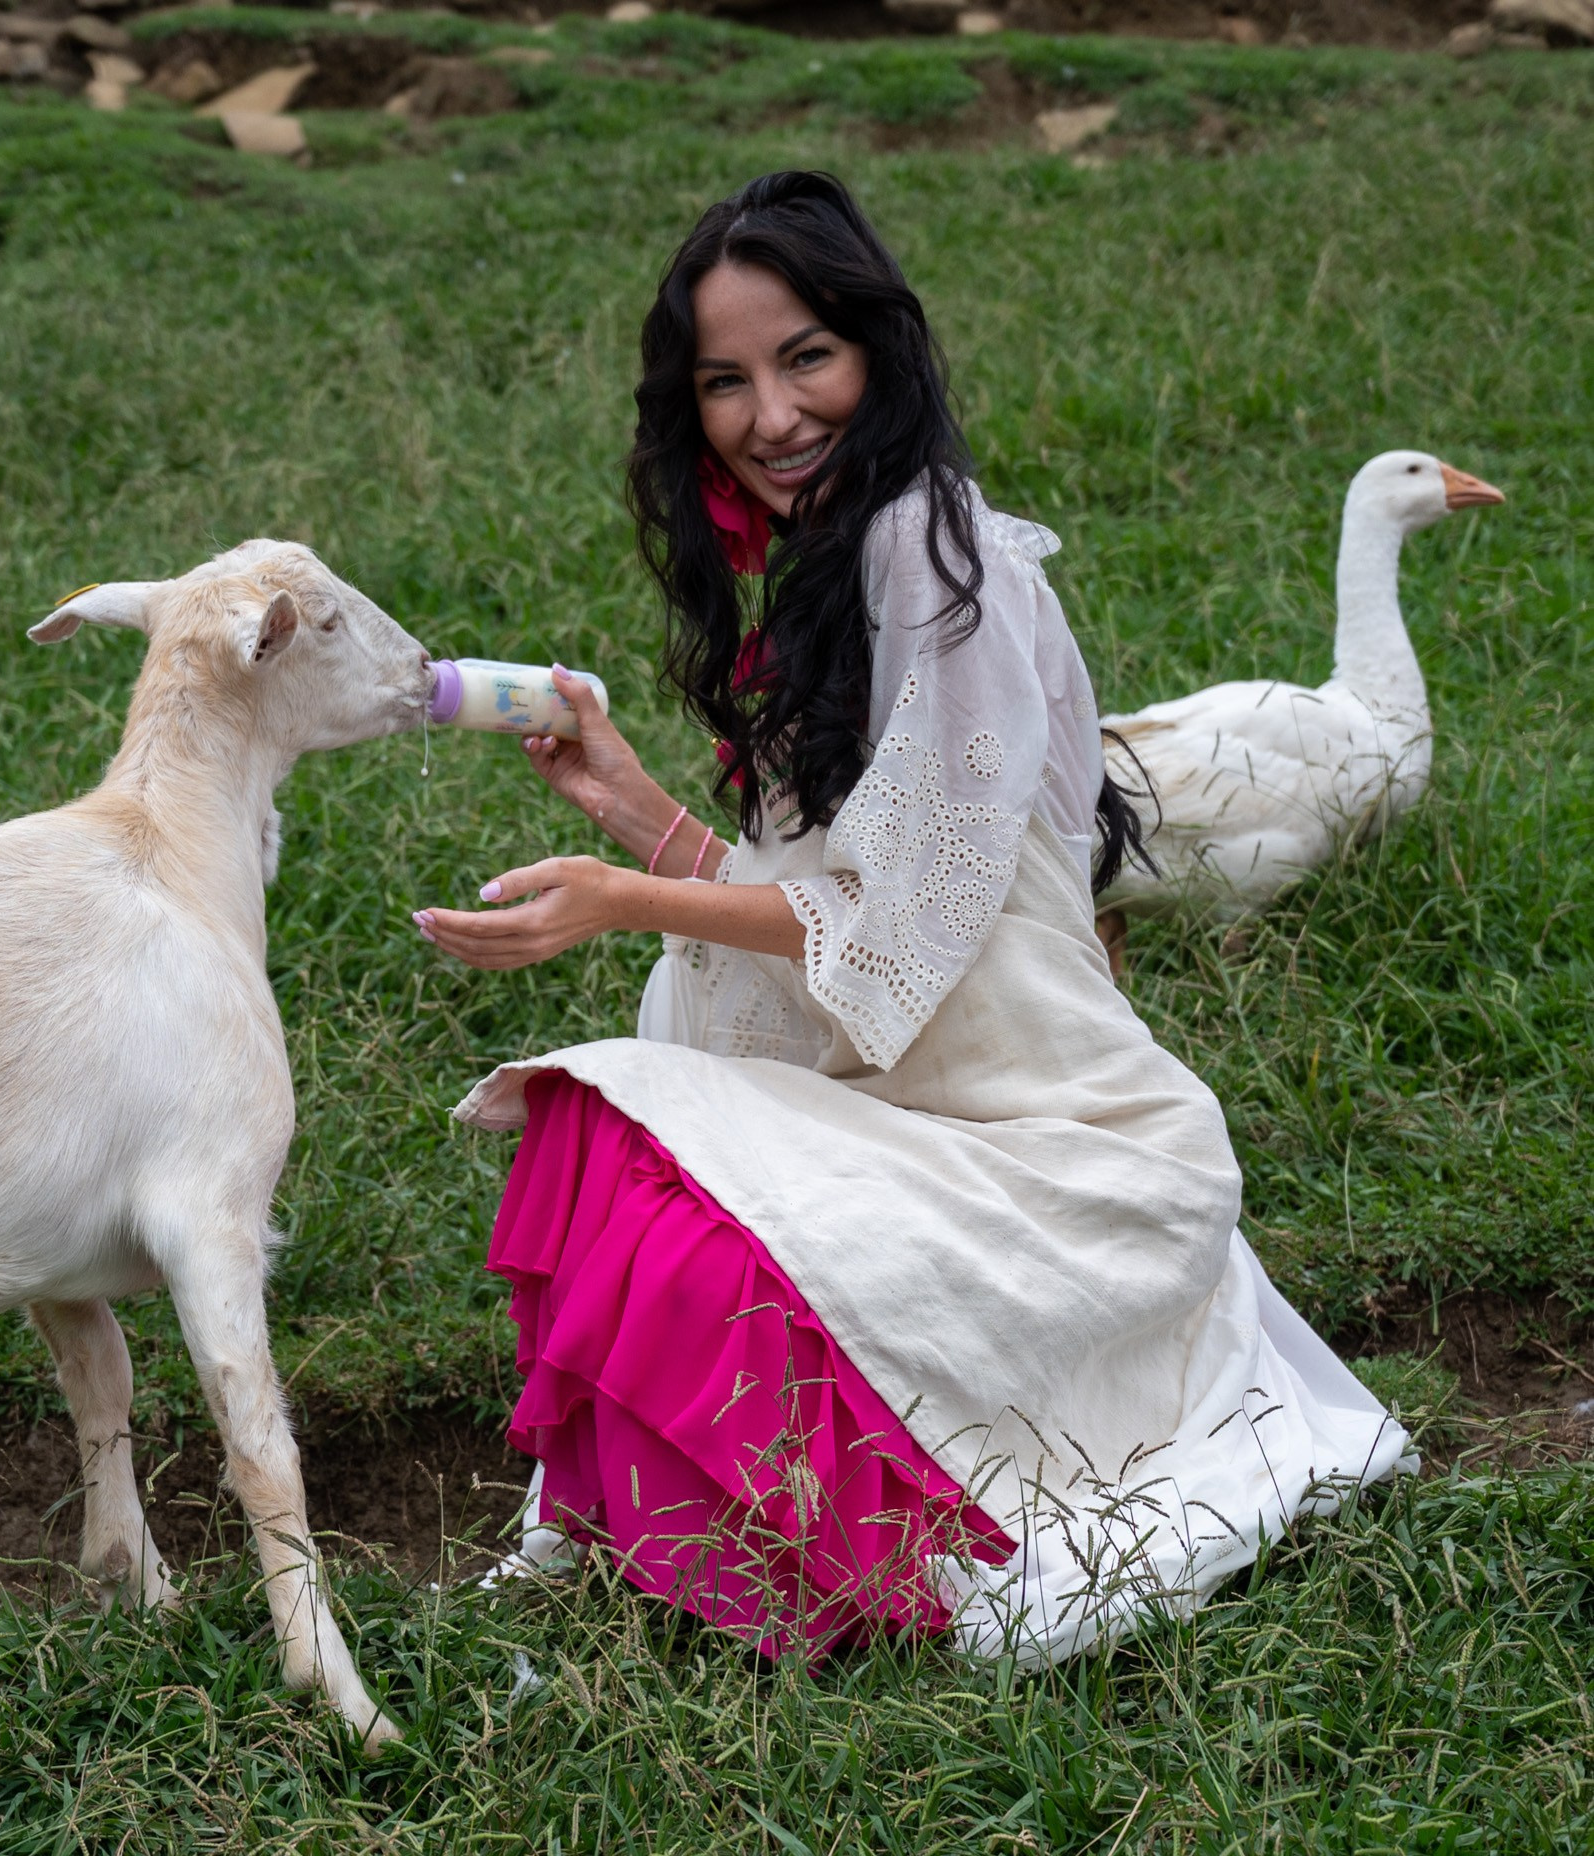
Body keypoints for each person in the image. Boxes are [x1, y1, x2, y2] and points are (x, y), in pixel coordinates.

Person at [416, 170, 1407, 1662]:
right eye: (726, 382)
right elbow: (846, 908)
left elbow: (899, 929)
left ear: (878, 349)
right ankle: (708, 1549)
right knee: (604, 1129)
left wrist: (623, 902)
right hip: (918, 1098)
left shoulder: (937, 552)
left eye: (806, 357)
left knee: (621, 1138)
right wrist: (633, 810)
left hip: (1043, 1133)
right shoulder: (843, 554)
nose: (772, 417)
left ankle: (830, 1568)